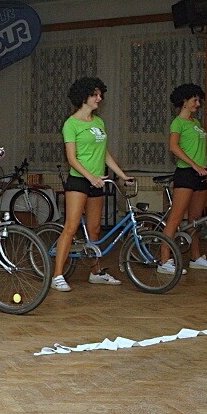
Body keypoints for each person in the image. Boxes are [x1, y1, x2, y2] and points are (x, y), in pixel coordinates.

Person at [51, 77, 134, 292]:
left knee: (94, 229)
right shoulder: (71, 124)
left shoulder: (99, 122)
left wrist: (122, 175)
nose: (99, 98)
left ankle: (95, 272)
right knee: (71, 227)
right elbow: (72, 159)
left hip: (97, 181)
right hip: (79, 181)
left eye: (100, 94)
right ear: (83, 97)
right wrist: (90, 177)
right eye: (95, 95)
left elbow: (104, 153)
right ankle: (57, 275)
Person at [158, 83, 207, 273]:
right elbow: (174, 147)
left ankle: (196, 257)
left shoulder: (196, 123)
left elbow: (206, 145)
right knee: (176, 218)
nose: (198, 104)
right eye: (194, 100)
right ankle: (164, 260)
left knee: (195, 220)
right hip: (186, 174)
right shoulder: (177, 123)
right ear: (184, 101)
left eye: (199, 100)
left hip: (200, 175)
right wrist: (194, 165)